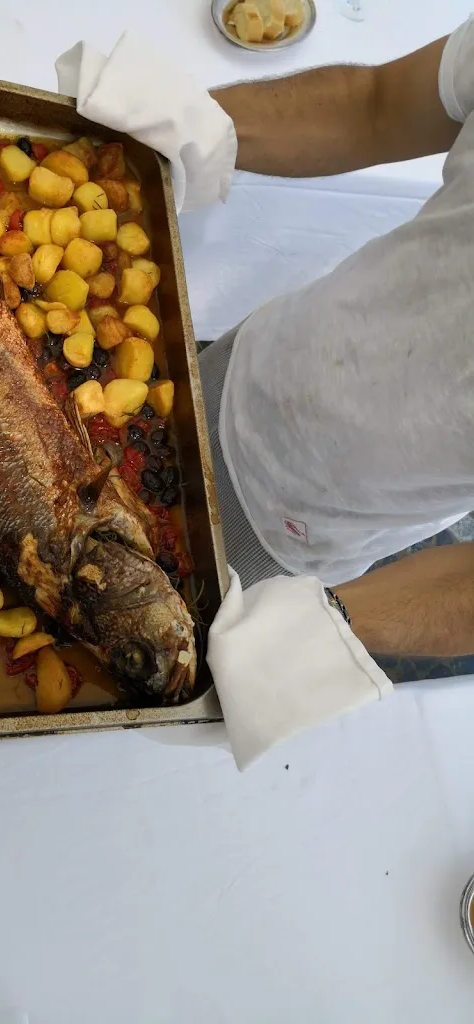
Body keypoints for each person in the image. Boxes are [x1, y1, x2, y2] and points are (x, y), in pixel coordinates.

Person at [199, 16, 474, 657]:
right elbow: (374, 107)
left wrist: (329, 631)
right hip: (251, 361)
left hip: (297, 530)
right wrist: (194, 122)